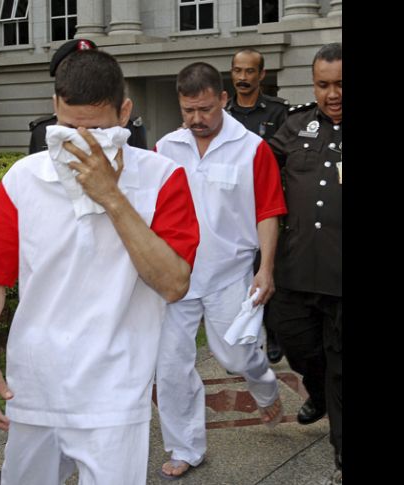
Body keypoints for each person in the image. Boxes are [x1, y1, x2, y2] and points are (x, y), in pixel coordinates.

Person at [0, 49, 199, 484]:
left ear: (125, 113)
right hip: (34, 385)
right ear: (54, 107)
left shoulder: (163, 178)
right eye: (70, 128)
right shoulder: (23, 178)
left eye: (99, 129)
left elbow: (173, 284)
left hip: (114, 391)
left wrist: (112, 197)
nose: (83, 142)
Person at [154, 62, 287, 479]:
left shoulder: (251, 147)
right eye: (189, 110)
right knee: (171, 366)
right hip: (176, 278)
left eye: (206, 110)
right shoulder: (164, 149)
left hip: (230, 273)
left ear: (223, 99)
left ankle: (264, 385)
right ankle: (185, 447)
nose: (197, 119)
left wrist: (265, 269)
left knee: (235, 355)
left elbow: (268, 212)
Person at [266, 42, 342, 485]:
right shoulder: (295, 126)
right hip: (296, 273)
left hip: (340, 279)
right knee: (296, 343)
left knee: (341, 369)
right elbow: (258, 168)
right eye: (323, 84)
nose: (332, 94)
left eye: (340, 84)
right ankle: (320, 391)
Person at [227, 47, 290, 365]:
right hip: (234, 206)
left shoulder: (278, 112)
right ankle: (243, 332)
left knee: (267, 266)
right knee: (239, 272)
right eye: (238, 71)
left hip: (267, 203)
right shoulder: (224, 113)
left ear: (262, 75)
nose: (242, 77)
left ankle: (274, 333)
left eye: (250, 71)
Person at [28, 38, 148, 154]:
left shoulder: (128, 127)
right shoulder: (43, 129)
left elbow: (136, 161)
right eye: (70, 127)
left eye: (96, 129)